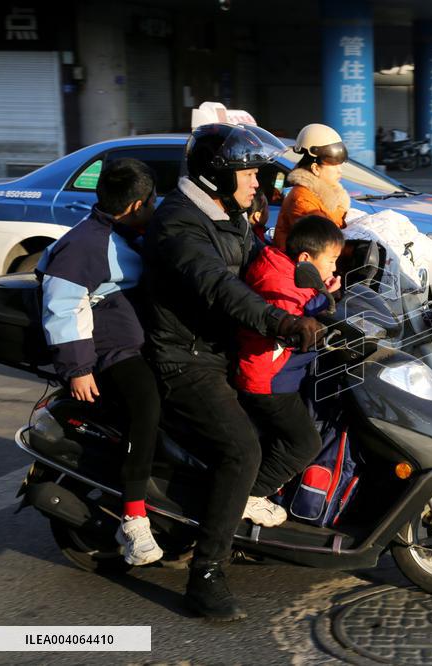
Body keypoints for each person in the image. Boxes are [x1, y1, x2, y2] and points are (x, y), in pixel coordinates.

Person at [144, 123, 324, 622]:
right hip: (185, 359)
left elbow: (267, 263)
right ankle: (205, 575)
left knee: (297, 432)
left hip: (224, 350)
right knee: (241, 448)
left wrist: (329, 272)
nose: (257, 183)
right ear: (216, 177)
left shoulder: (230, 214)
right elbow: (220, 287)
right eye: (248, 173)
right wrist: (281, 322)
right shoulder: (179, 224)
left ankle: (230, 512)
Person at [38, 158, 163, 567]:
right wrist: (79, 368)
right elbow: (62, 306)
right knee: (145, 406)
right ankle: (134, 518)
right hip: (110, 348)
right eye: (151, 202)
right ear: (135, 205)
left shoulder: (122, 231)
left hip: (132, 337)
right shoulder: (87, 243)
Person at [234, 215, 344, 498]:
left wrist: (323, 293)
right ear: (306, 257)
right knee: (306, 444)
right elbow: (293, 312)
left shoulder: (287, 269)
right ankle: (250, 497)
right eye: (331, 260)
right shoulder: (276, 282)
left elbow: (304, 298)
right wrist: (324, 301)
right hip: (267, 380)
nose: (334, 267)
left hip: (283, 373)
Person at [274, 124, 350, 251]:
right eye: (334, 166)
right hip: (299, 266)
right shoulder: (302, 198)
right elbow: (323, 238)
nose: (339, 171)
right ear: (315, 169)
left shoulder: (320, 194)